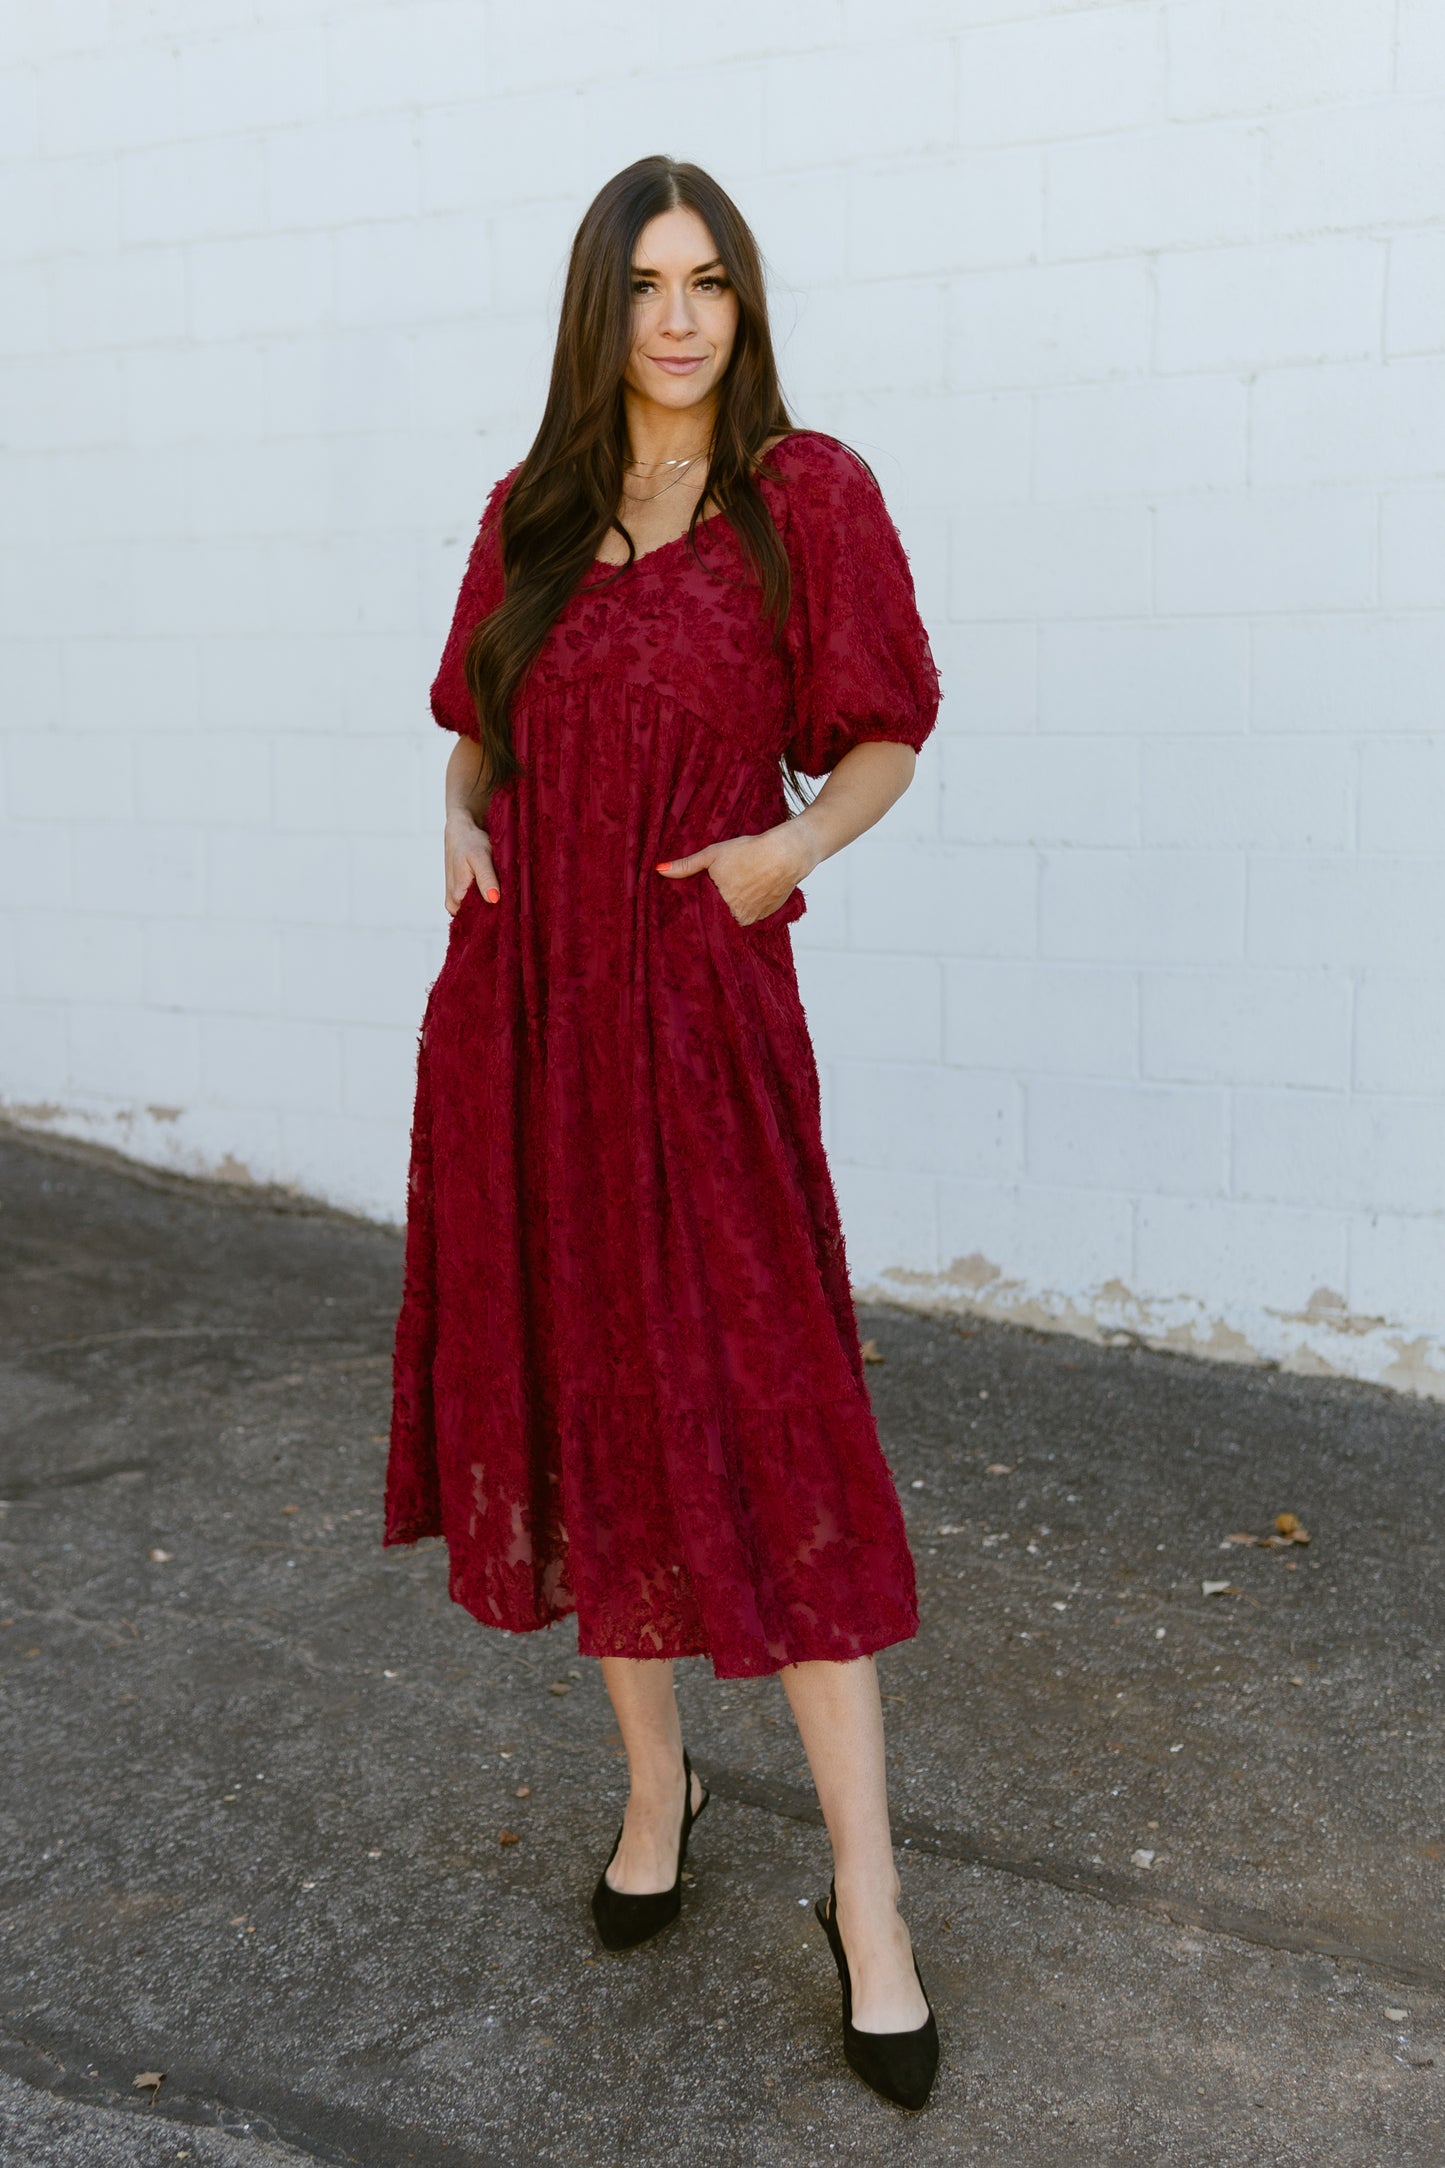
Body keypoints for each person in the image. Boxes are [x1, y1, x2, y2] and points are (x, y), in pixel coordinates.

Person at [384, 154, 942, 2112]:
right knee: (584, 1401)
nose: (684, 314)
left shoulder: (808, 498)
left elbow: (884, 727)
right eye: (648, 283)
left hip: (700, 1030)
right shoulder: (528, 513)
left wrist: (786, 847)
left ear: (744, 301)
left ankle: (867, 1898)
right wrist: (455, 815)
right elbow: (477, 723)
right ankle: (655, 1792)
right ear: (598, 312)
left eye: (712, 279)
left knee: (775, 1415)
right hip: (524, 1032)